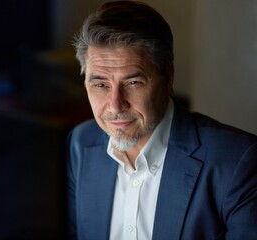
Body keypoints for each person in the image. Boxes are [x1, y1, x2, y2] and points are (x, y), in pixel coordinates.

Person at [67, 1, 257, 239]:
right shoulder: (80, 145)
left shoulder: (239, 161)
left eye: (133, 82)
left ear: (168, 78)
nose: (115, 105)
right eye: (100, 85)